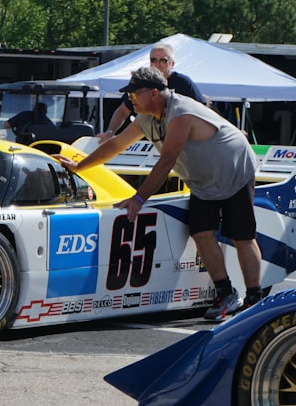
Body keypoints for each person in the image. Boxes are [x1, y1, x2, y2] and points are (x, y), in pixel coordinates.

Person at [57, 66, 261, 322]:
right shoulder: (146, 117)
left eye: (134, 93)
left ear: (154, 93)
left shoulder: (181, 112)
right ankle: (226, 294)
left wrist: (138, 198)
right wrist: (79, 165)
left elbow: (166, 162)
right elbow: (118, 144)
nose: (130, 98)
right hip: (203, 181)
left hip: (234, 170)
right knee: (201, 233)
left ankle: (255, 297)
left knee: (241, 236)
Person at [98, 42, 206, 138]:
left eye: (163, 60)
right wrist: (110, 132)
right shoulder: (142, 81)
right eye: (153, 60)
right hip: (149, 138)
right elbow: (122, 111)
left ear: (172, 64)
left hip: (179, 138)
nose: (157, 64)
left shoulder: (183, 83)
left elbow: (201, 111)